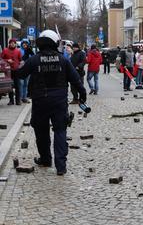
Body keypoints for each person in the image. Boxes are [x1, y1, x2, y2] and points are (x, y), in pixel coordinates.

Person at [16, 30, 86, 176]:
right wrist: (82, 94)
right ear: (55, 42)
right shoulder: (63, 60)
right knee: (60, 131)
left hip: (40, 101)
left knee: (41, 131)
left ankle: (46, 159)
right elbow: (75, 79)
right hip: (59, 101)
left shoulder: (34, 59)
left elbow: (20, 74)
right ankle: (61, 166)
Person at [1, 38, 22, 105]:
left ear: (15, 44)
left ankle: (18, 100)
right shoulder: (5, 50)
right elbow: (1, 58)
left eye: (14, 43)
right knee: (10, 86)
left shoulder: (18, 51)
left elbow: (20, 60)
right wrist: (7, 60)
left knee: (17, 86)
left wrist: (20, 65)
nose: (13, 44)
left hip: (16, 70)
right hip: (8, 71)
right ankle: (11, 100)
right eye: (11, 43)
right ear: (9, 44)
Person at [19, 39, 34, 103]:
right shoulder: (19, 50)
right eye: (23, 43)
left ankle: (24, 97)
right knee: (21, 84)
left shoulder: (30, 50)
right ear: (22, 44)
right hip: (21, 69)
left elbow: (33, 57)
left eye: (26, 43)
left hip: (28, 69)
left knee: (26, 84)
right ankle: (19, 97)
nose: (25, 44)